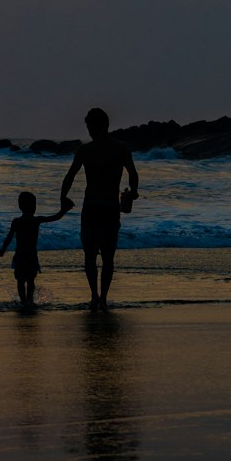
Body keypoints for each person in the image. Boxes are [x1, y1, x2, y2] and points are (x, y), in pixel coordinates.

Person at [60, 107, 139, 310]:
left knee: (90, 255)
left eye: (90, 126)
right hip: (110, 207)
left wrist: (63, 198)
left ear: (98, 126)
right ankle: (102, 297)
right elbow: (132, 173)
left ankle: (94, 295)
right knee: (108, 257)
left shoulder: (85, 150)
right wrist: (134, 192)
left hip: (92, 206)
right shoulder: (121, 148)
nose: (88, 130)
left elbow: (70, 175)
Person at [0, 190, 73, 306]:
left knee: (20, 280)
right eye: (34, 205)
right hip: (31, 256)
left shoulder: (17, 221)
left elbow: (9, 238)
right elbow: (55, 217)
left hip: (20, 256)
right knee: (30, 280)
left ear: (20, 206)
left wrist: (3, 249)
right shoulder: (36, 220)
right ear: (32, 207)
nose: (34, 207)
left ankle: (24, 301)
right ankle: (29, 300)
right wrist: (64, 210)